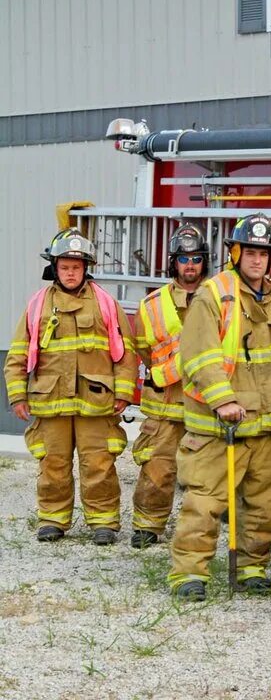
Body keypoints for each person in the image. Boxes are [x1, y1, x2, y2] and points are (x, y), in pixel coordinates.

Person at [168, 213, 271, 601]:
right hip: (220, 424)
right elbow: (199, 353)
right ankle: (190, 574)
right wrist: (223, 400)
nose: (257, 260)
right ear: (236, 253)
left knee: (266, 504)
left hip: (269, 423)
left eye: (264, 253)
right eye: (251, 252)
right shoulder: (214, 293)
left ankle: (253, 568)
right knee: (204, 501)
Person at [4, 229, 137, 544]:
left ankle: (104, 522)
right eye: (64, 266)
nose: (71, 272)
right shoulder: (38, 305)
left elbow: (125, 351)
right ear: (54, 267)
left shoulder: (105, 303)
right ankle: (53, 519)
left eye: (76, 266)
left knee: (100, 463)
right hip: (51, 403)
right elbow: (18, 353)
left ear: (86, 267)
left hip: (95, 402)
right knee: (53, 463)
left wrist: (123, 392)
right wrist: (17, 395)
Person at [129, 223, 209, 549]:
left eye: (196, 258)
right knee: (157, 467)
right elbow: (143, 349)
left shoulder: (220, 298)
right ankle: (148, 525)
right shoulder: (153, 304)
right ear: (174, 262)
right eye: (184, 258)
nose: (190, 265)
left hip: (206, 403)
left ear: (204, 261)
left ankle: (199, 535)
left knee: (204, 474)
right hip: (165, 403)